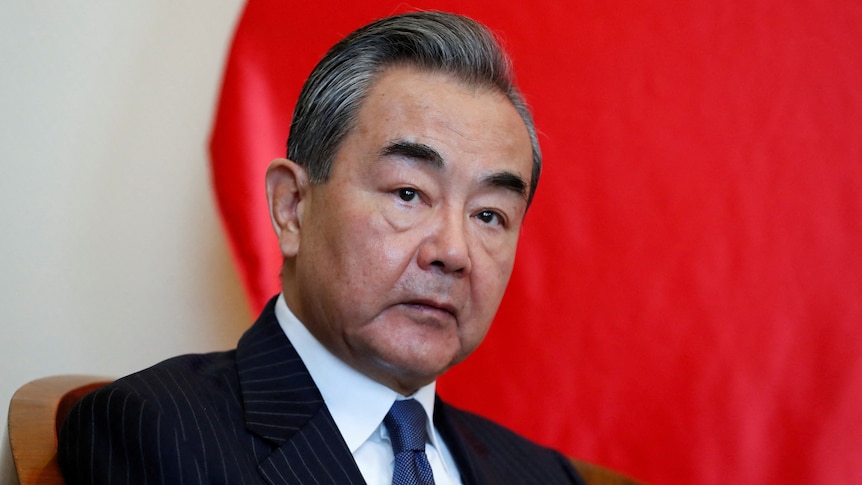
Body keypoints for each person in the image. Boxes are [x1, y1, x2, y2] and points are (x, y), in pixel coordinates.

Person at [59, 11, 585, 484]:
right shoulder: (157, 429)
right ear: (292, 207)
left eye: (489, 215)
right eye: (408, 193)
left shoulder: (544, 475)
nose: (453, 250)